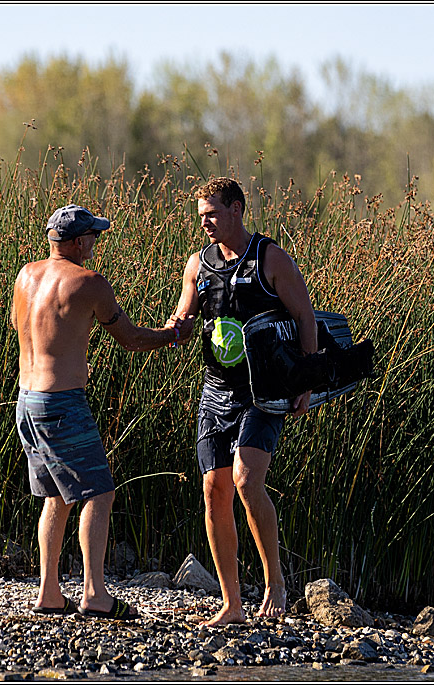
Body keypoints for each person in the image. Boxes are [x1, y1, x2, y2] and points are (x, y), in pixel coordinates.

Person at [12, 204, 192, 620]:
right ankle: (94, 593)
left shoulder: (26, 275)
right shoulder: (90, 282)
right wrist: (172, 334)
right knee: (99, 492)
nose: (95, 241)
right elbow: (129, 339)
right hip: (61, 404)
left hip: (27, 399)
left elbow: (24, 328)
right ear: (77, 242)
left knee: (55, 496)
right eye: (92, 235)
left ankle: (49, 593)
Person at [169, 177, 317, 626]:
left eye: (211, 213)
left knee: (246, 480)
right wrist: (166, 332)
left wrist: (306, 381)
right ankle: (231, 603)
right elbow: (184, 314)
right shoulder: (198, 263)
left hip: (265, 392)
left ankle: (275, 583)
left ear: (236, 209)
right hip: (216, 390)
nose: (205, 222)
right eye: (200, 216)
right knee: (213, 490)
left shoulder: (270, 257)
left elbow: (305, 316)